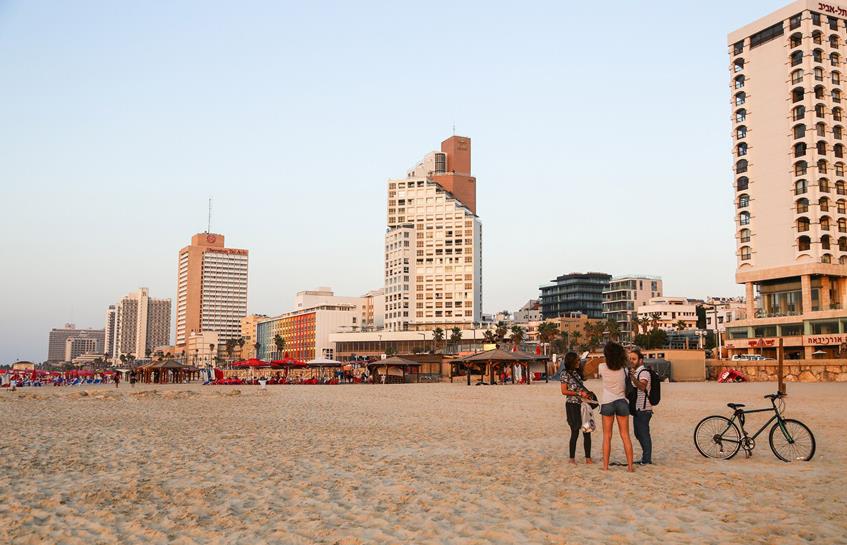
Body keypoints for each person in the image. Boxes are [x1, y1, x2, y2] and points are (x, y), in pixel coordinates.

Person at [598, 342, 635, 472]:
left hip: (607, 402)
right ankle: (630, 467)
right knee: (625, 435)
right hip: (622, 402)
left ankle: (605, 466)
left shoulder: (602, 367)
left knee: (607, 436)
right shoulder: (624, 369)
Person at [560, 352, 593, 464]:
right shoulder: (565, 373)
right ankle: (572, 458)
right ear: (571, 361)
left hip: (583, 404)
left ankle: (588, 458)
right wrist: (579, 393)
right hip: (572, 405)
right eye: (577, 360)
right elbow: (564, 391)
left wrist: (585, 394)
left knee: (587, 430)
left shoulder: (578, 373)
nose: (579, 362)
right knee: (575, 431)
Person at [629, 348, 653, 465]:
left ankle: (647, 459)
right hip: (638, 408)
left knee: (643, 434)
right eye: (630, 359)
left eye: (634, 359)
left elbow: (642, 387)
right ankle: (645, 457)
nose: (631, 361)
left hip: (644, 409)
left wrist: (632, 378)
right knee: (638, 433)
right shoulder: (637, 372)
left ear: (641, 361)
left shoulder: (643, 372)